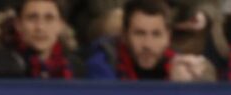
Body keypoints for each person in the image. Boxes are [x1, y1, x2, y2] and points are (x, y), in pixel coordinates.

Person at [87, 0, 215, 80]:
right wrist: (174, 90)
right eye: (139, 34)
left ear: (168, 38)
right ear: (125, 36)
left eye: (156, 34)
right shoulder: (104, 61)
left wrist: (193, 83)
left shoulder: (179, 66)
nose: (148, 44)